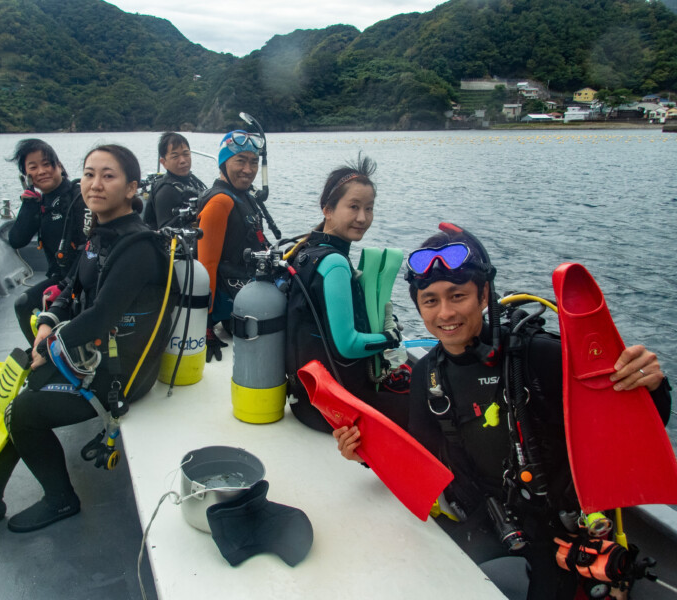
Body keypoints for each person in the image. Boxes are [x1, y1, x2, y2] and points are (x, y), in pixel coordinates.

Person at [334, 225, 672, 599]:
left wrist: (651, 385)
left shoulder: (537, 356)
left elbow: (636, 429)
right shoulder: (428, 375)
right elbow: (421, 455)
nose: (444, 313)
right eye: (430, 301)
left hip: (556, 527)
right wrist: (365, 450)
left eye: (457, 295)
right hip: (487, 517)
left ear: (484, 295)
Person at [0, 144, 175, 533]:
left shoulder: (137, 247)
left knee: (25, 413)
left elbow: (100, 318)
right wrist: (48, 321)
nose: (94, 184)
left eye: (108, 176)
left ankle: (61, 500)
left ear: (132, 188)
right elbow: (70, 286)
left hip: (122, 376)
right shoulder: (99, 234)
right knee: (20, 396)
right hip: (96, 359)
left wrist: (47, 349)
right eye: (88, 174)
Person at [284, 155, 408, 432]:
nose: (363, 218)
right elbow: (348, 345)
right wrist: (390, 337)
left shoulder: (304, 251)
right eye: (353, 207)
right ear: (327, 209)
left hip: (306, 400)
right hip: (336, 412)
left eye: (369, 208)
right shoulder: (335, 263)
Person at [196, 130, 272, 361]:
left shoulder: (244, 196)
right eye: (240, 161)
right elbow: (205, 265)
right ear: (223, 162)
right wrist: (205, 327)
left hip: (244, 297)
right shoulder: (221, 201)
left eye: (254, 162)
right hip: (229, 309)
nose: (248, 170)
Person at [7, 139, 91, 345]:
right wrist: (28, 205)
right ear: (26, 175)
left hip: (84, 277)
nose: (42, 171)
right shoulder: (39, 203)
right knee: (23, 305)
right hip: (59, 277)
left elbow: (89, 248)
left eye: (47, 164)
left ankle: (52, 354)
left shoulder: (78, 198)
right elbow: (17, 240)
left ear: (59, 166)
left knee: (31, 305)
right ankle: (42, 355)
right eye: (33, 167)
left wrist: (65, 286)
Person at [143, 132, 207, 230]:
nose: (182, 160)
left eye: (186, 154)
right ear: (163, 162)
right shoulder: (166, 192)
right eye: (175, 156)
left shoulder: (191, 180)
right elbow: (166, 234)